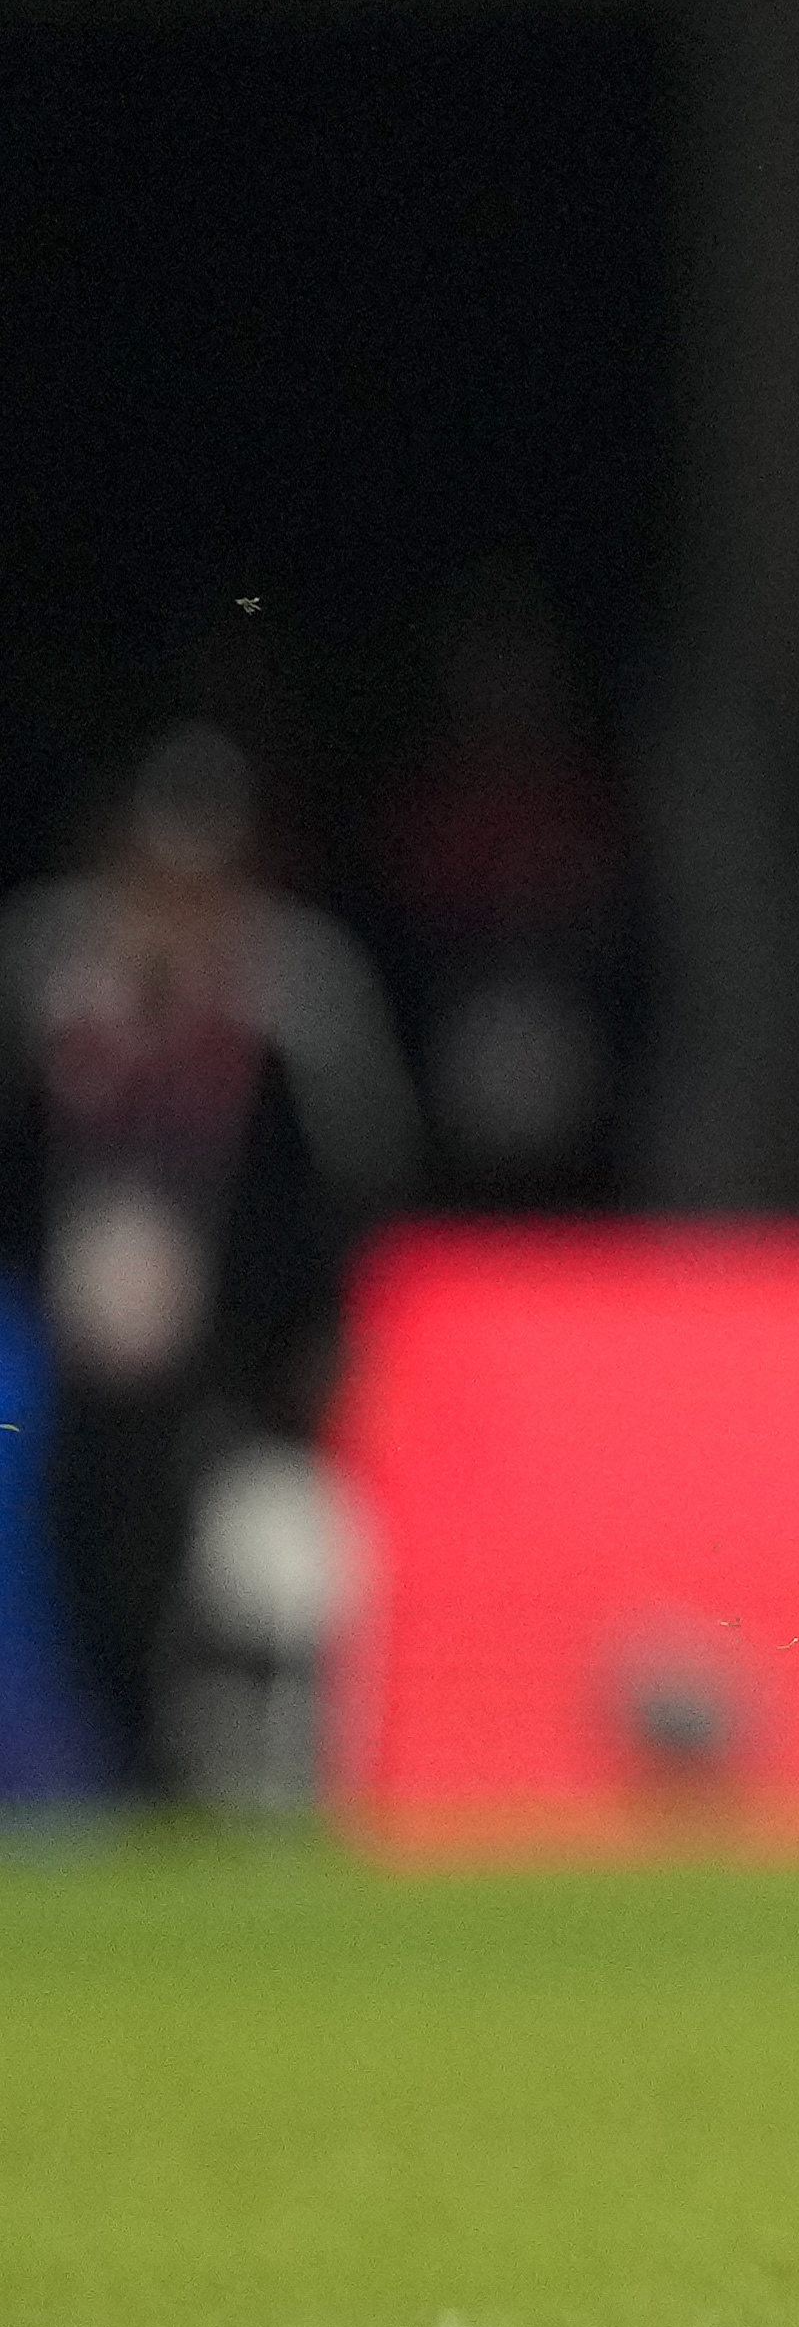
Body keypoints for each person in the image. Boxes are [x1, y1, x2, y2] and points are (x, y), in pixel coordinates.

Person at [0, 727, 412, 1808]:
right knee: (90, 1554)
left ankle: (229, 1775)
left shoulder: (290, 1000)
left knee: (238, 1563)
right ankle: (125, 1771)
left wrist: (317, 1328)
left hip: (232, 1360)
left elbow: (342, 1177)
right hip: (71, 1356)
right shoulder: (50, 985)